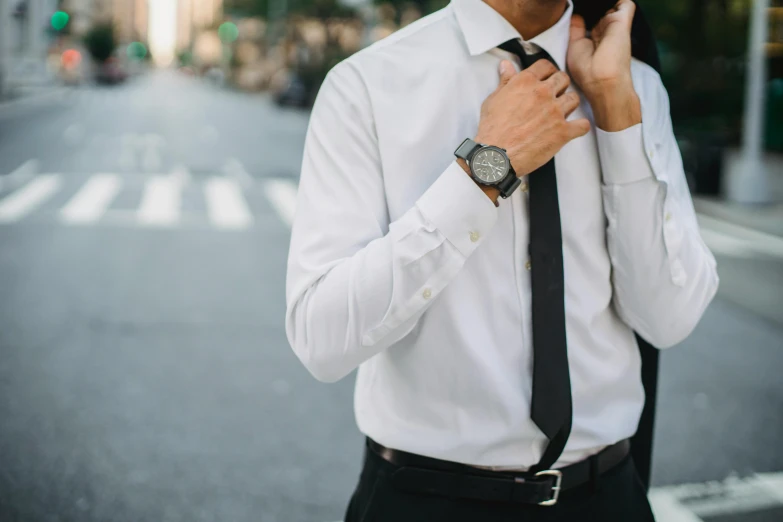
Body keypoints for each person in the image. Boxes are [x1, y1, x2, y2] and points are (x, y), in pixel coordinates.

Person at [285, 0, 719, 520]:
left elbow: (667, 320)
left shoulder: (634, 84)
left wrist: (619, 116)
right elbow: (322, 338)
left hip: (608, 496)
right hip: (426, 501)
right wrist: (486, 168)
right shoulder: (367, 85)